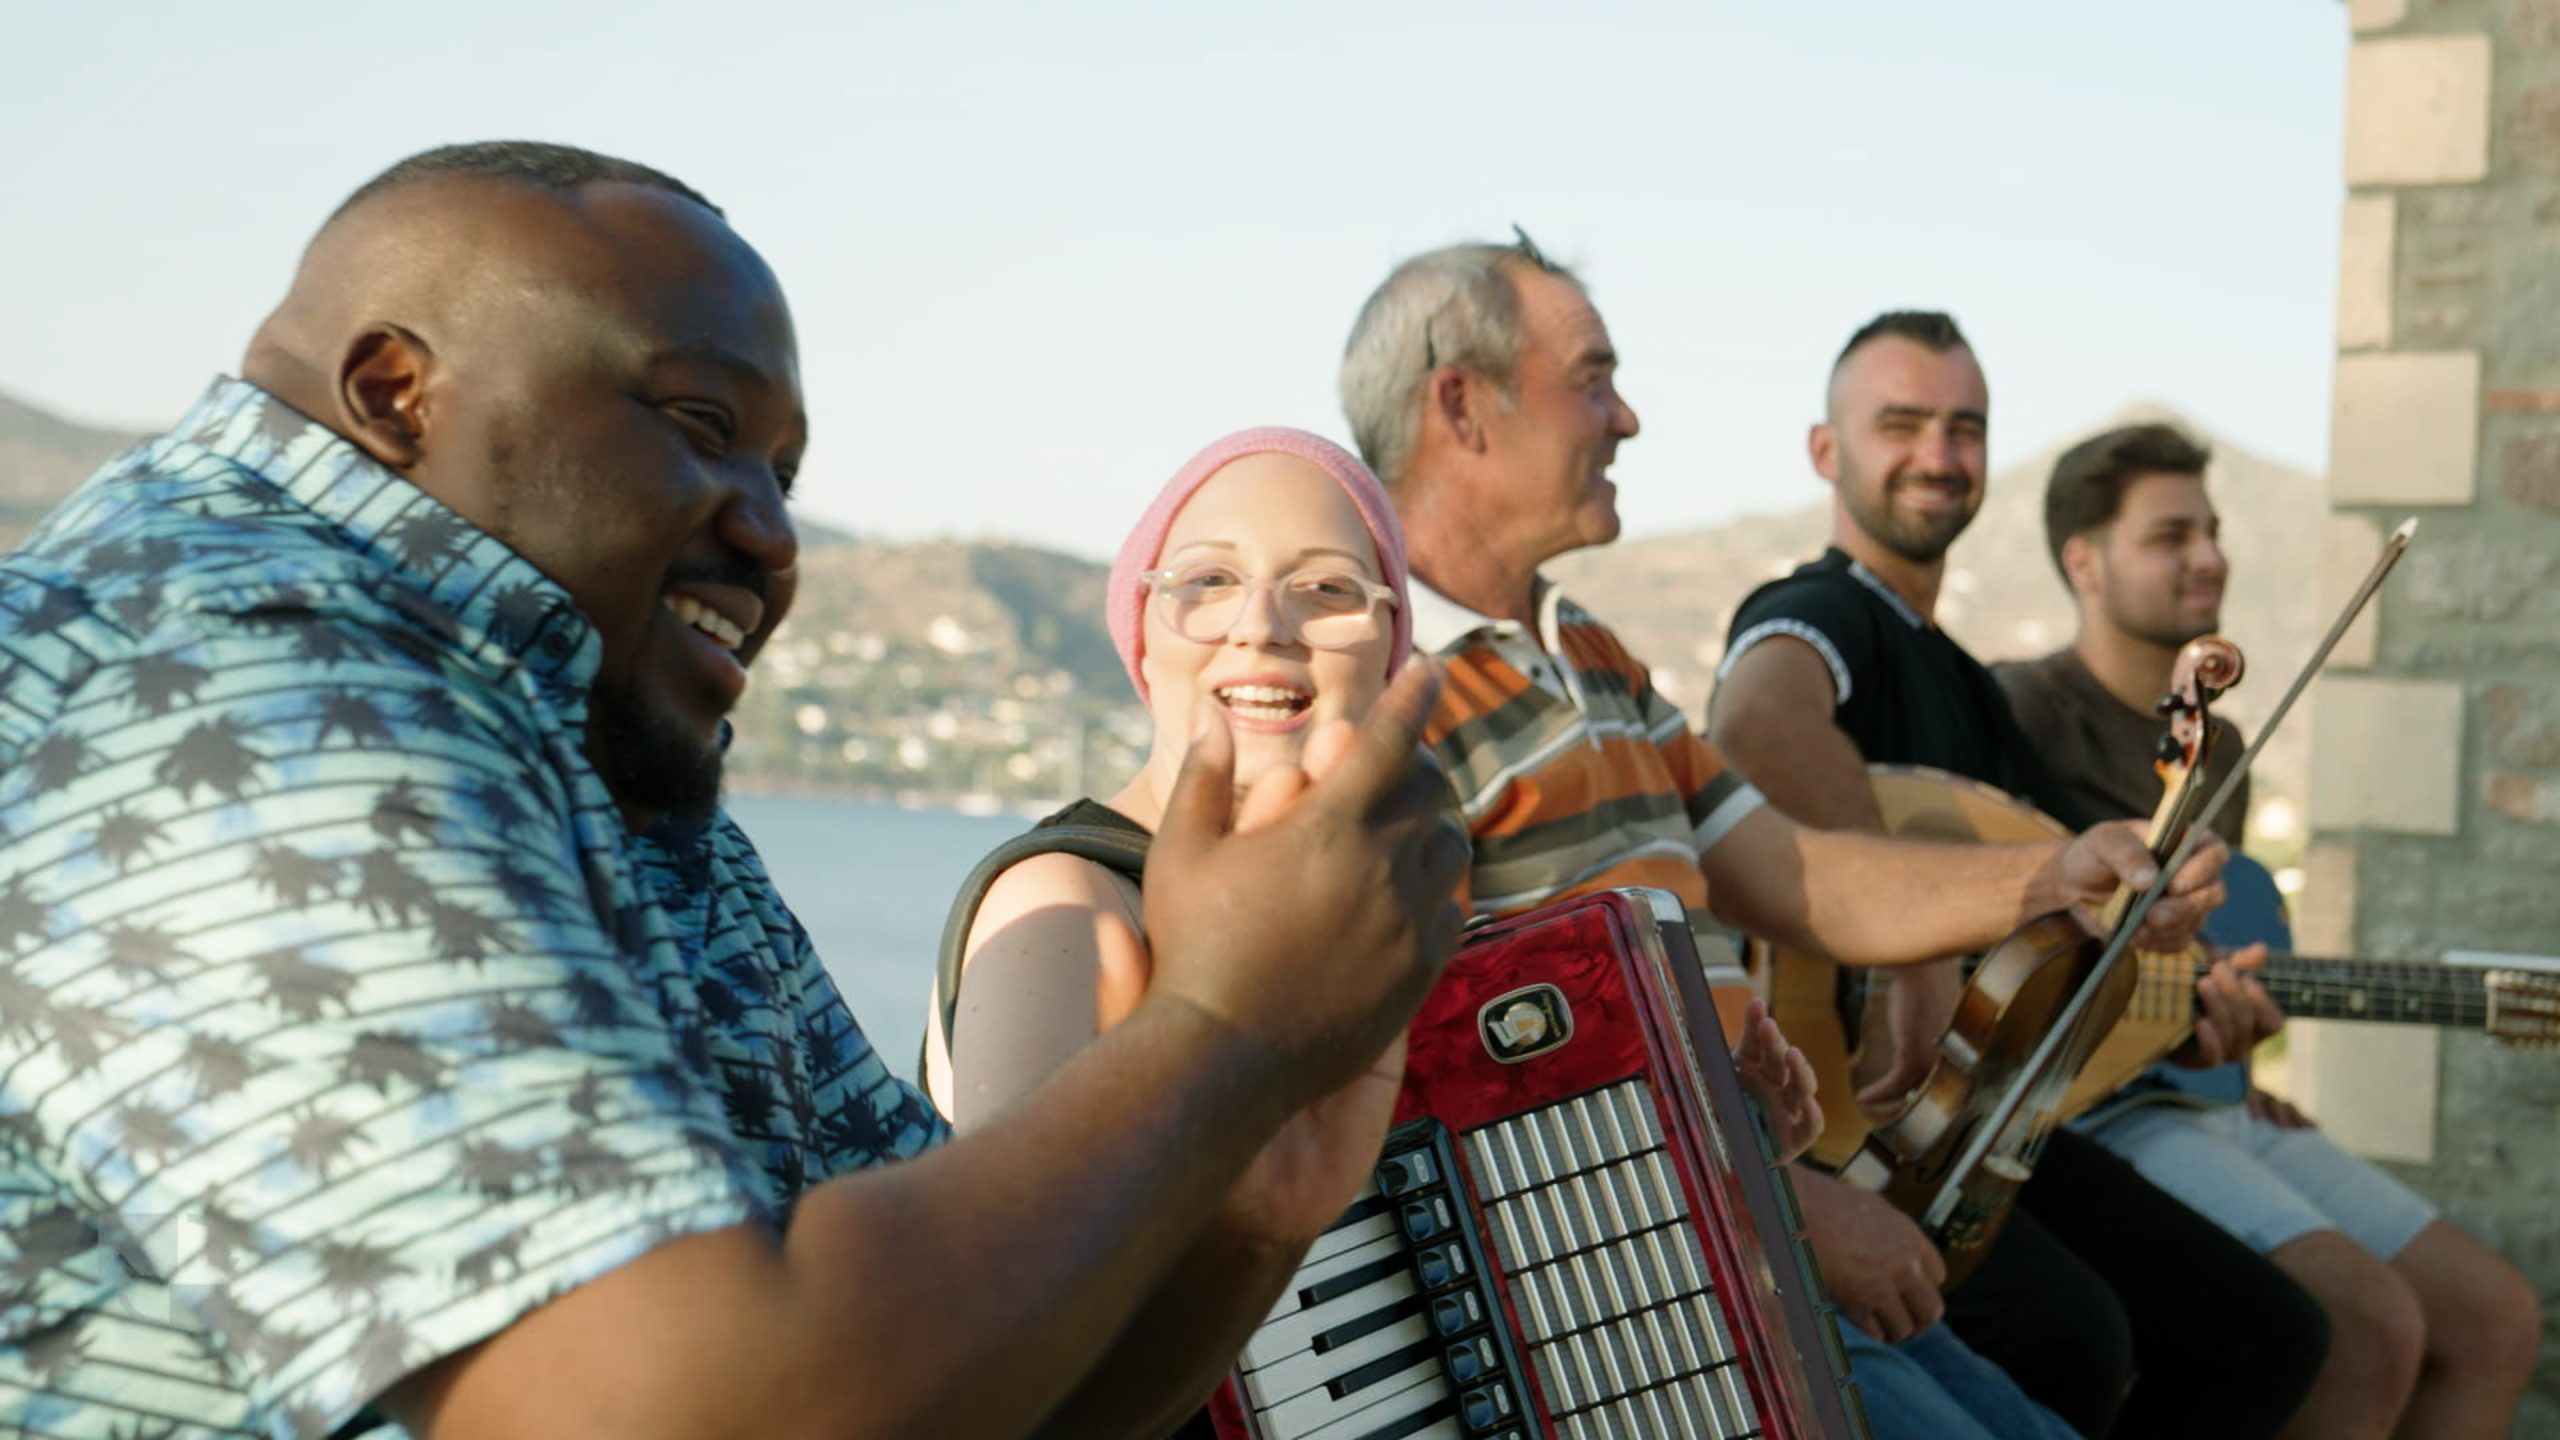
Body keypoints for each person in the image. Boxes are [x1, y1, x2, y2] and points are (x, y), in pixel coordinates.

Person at [0, 142, 1469, 1440]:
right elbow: (681, 1410)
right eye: (704, 426)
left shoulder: (592, 733)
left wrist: (1255, 1188)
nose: (775, 538)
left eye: (785, 469)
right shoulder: (221, 682)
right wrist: (1222, 1031)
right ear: (397, 394)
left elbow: (987, 1390)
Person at [1337, 238, 2228, 1439]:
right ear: (1461, 403)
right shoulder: (1378, 689)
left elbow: (1788, 871)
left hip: (1739, 1230)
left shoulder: (1589, 651)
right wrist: (1787, 1206)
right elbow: (1445, 1072)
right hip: (1632, 1303)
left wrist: (2053, 873)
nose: (1629, 417)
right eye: (1592, 378)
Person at [922, 426, 1825, 1436]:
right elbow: (999, 1357)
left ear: (1391, 653)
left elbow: (1499, 1256)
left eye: (1326, 589)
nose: (1261, 626)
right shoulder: (1062, 907)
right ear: (1144, 629)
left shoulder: (1391, 920)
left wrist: (1709, 1148)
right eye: (1208, 580)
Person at [1707, 310, 2334, 1438]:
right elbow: (1756, 726)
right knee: (2071, 1337)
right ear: (1823, 451)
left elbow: (2030, 945)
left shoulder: (1969, 688)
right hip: (1854, 1123)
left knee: (2270, 1333)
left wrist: (2168, 1011)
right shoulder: (1821, 609)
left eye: (1965, 428)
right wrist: (1904, 958)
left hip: (1969, 1121)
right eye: (1900, 424)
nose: (1939, 456)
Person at [1995, 422, 2544, 1440]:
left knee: (2495, 1317)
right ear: (2084, 561)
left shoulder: (2225, 746)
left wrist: (2232, 1047)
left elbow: (2205, 964)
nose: (2207, 556)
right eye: (2170, 536)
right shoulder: (2016, 713)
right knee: (2368, 1325)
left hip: (2191, 1097)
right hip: (2086, 1117)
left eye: (2209, 529)